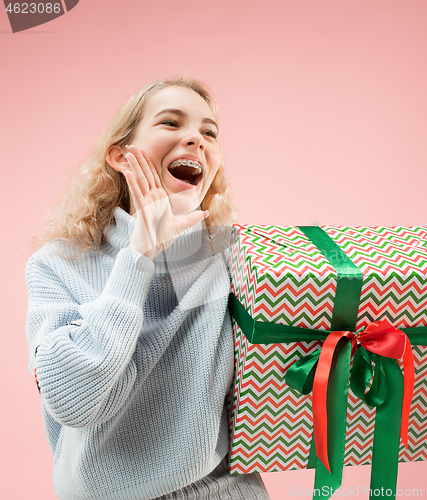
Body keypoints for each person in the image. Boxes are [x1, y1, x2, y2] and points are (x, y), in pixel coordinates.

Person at [25, 77, 271, 500]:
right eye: (171, 123)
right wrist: (139, 256)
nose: (195, 138)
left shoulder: (233, 261)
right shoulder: (58, 264)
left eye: (208, 132)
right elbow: (74, 400)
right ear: (121, 155)